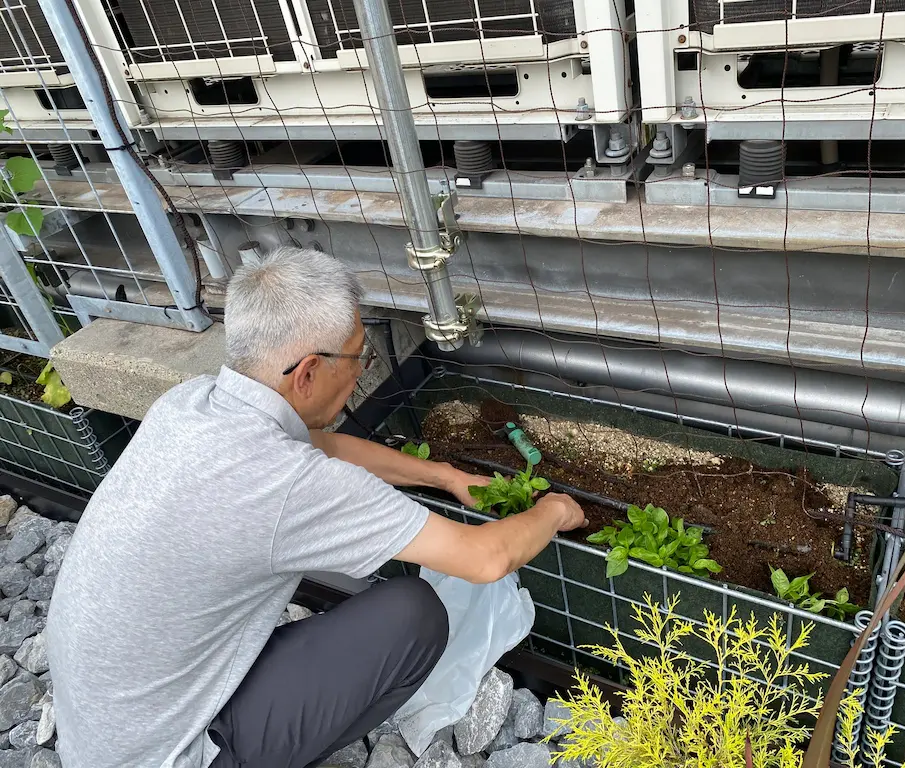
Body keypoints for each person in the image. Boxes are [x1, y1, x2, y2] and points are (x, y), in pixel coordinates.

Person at [47, 246, 587, 768]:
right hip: (171, 755)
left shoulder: (188, 404)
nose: (361, 371)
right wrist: (556, 511)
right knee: (413, 617)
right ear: (307, 373)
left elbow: (321, 443)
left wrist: (445, 476)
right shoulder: (286, 482)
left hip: (106, 728)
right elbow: (484, 559)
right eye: (359, 357)